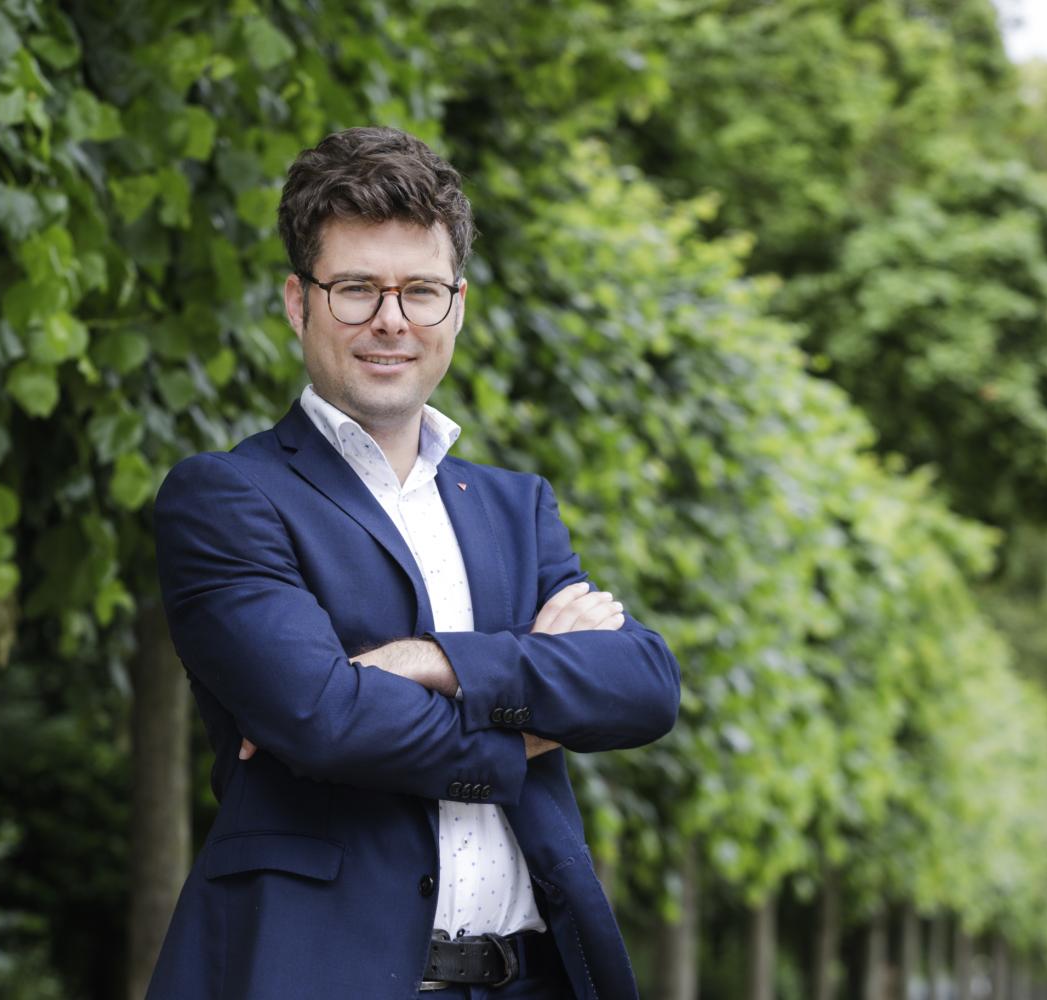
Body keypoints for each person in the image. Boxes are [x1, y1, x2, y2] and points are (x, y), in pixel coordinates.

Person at [146, 126, 680, 1000]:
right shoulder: (226, 497)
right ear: (297, 301)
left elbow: (645, 684)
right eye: (356, 288)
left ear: (456, 308)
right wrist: (534, 710)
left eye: (421, 291)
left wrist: (426, 661)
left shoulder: (517, 505)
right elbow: (324, 720)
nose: (391, 319)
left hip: (530, 979)